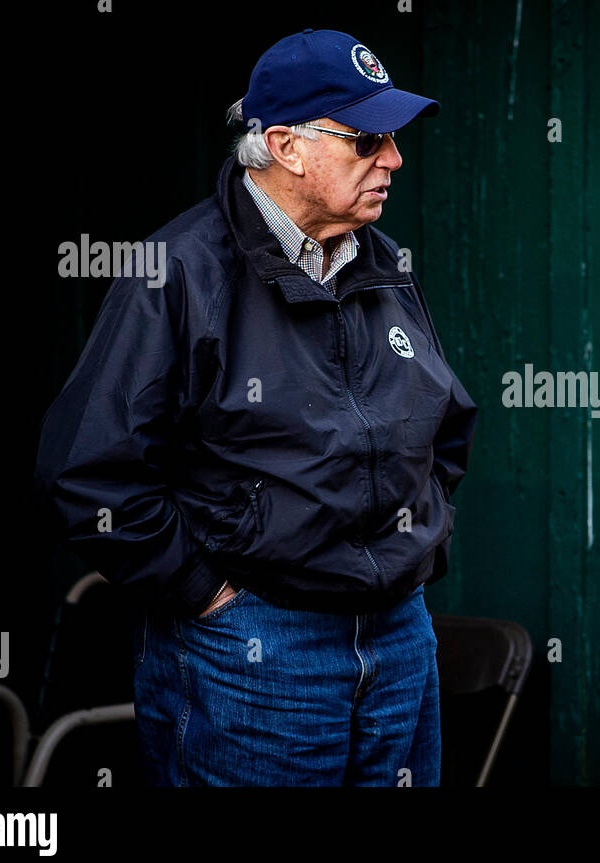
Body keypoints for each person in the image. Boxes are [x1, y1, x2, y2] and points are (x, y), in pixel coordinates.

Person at [33, 29, 478, 786]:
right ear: (285, 146)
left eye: (395, 139)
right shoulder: (177, 273)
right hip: (257, 649)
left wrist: (412, 547)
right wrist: (210, 596)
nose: (393, 160)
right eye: (368, 139)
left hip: (401, 637)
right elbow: (89, 471)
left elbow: (444, 429)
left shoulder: (384, 266)